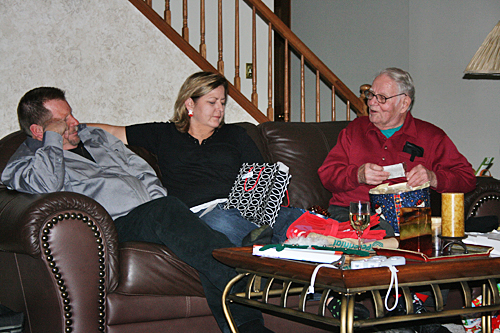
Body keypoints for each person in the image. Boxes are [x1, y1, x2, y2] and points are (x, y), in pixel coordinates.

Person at [1, 87, 273, 333]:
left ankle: (249, 327)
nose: (75, 122)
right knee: (173, 217)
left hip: (150, 213)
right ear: (39, 131)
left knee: (196, 243)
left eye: (71, 114)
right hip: (111, 226)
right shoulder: (23, 163)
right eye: (63, 120)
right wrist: (51, 141)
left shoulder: (94, 138)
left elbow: (141, 170)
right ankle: (241, 276)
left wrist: (155, 200)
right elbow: (47, 183)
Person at [91, 71, 303, 247]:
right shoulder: (164, 134)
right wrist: (68, 126)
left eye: (222, 102)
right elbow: (111, 131)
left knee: (300, 222)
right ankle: (270, 248)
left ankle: (318, 286)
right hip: (201, 215)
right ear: (190, 104)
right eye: (212, 102)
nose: (220, 109)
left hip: (241, 209)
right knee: (220, 222)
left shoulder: (235, 135)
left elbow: (261, 177)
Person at [318, 67, 476, 228]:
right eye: (371, 95)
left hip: (410, 215)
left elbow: (467, 178)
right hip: (354, 212)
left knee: (417, 237)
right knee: (376, 234)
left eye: (382, 98)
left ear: (404, 104)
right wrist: (357, 175)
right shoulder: (354, 130)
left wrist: (433, 177)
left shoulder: (431, 136)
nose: (371, 102)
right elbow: (327, 175)